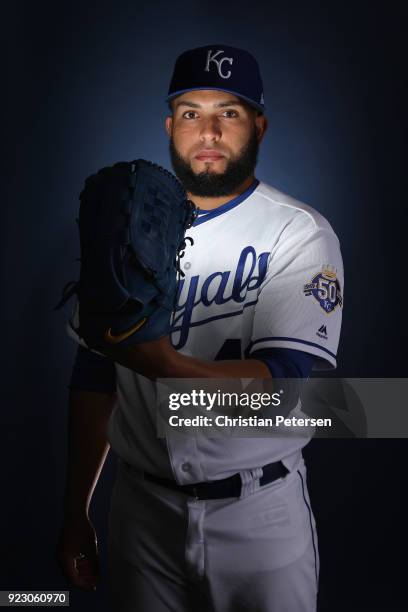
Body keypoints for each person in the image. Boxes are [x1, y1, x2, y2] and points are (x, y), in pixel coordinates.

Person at [57, 45, 343, 611]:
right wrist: (74, 511)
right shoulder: (125, 224)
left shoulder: (298, 232)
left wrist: (163, 366)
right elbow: (95, 376)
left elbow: (285, 386)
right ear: (170, 125)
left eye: (228, 113)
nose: (207, 130)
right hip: (142, 511)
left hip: (259, 512)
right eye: (191, 113)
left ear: (258, 125)